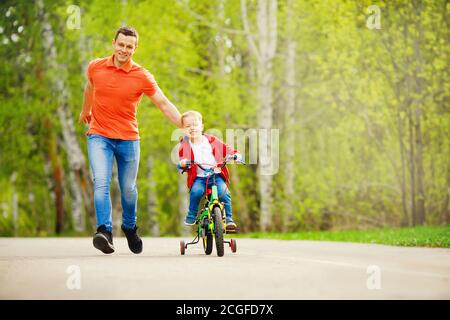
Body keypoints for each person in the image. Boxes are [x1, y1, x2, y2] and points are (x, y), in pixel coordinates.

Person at [79, 26, 182, 254]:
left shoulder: (142, 76)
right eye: (121, 44)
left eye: (129, 46)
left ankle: (129, 227)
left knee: (128, 189)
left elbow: (163, 103)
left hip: (128, 138)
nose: (124, 50)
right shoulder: (95, 67)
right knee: (101, 182)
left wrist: (184, 124)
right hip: (99, 135)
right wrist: (85, 111)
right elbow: (89, 88)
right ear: (113, 43)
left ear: (135, 48)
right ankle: (104, 231)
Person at [178, 111, 242, 231]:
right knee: (196, 192)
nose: (192, 128)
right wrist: (183, 163)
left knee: (224, 193)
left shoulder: (211, 140)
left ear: (201, 126)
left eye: (195, 124)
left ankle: (229, 220)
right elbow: (183, 158)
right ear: (183, 130)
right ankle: (191, 215)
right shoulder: (185, 145)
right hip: (199, 178)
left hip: (216, 175)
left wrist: (235, 155)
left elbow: (226, 149)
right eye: (188, 126)